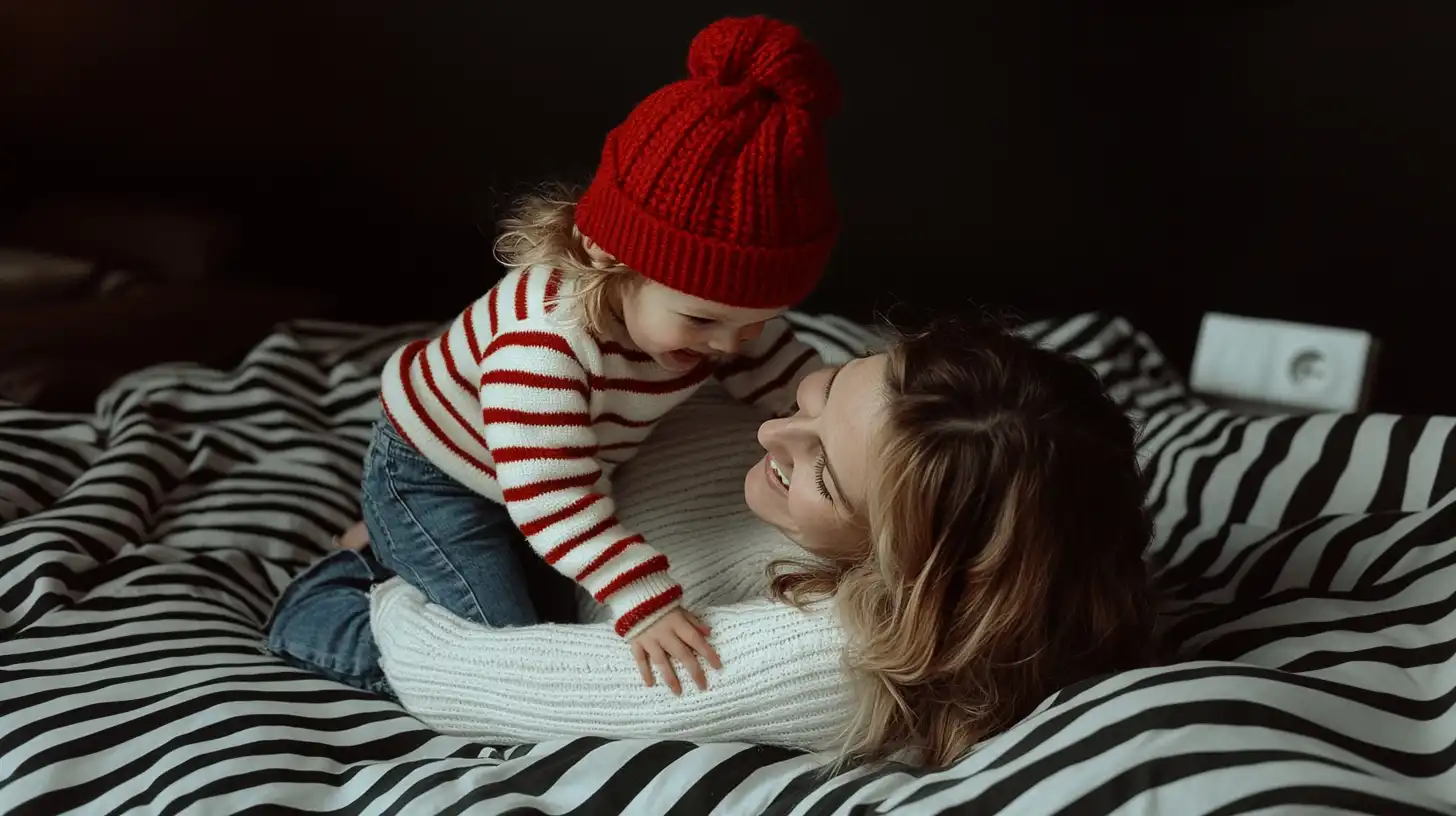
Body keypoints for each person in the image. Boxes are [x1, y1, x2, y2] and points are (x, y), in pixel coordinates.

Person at [271, 318, 1157, 770]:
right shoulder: (883, 430)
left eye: (822, 474)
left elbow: (494, 682)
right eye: (820, 392)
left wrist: (392, 583)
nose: (773, 432)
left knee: (320, 617)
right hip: (541, 490)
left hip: (537, 600)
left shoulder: (837, 659)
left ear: (911, 569)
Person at [268, 14, 846, 688]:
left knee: (561, 611)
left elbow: (783, 370)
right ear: (606, 252)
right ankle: (321, 608)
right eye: (704, 320)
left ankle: (391, 549)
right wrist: (644, 598)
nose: (729, 345)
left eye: (758, 320)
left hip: (542, 472)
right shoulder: (543, 346)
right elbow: (553, 497)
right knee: (511, 653)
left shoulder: (724, 319)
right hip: (441, 475)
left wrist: (845, 422)